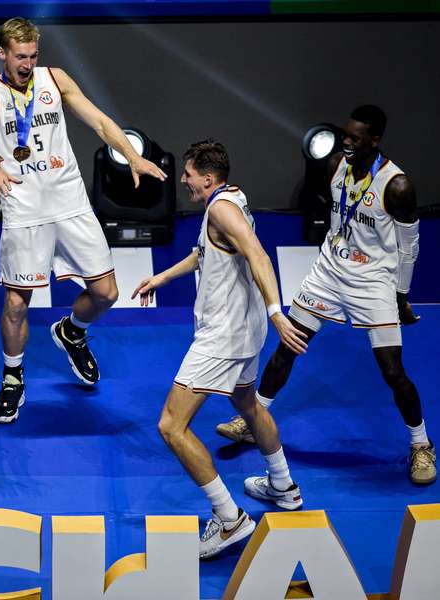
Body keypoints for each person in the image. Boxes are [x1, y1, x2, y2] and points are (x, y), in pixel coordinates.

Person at [214, 105, 435, 485]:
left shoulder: (396, 186)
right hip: (328, 273)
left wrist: (401, 295)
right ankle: (253, 421)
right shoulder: (335, 164)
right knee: (288, 346)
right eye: (346, 135)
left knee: (392, 371)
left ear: (376, 140)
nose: (346, 142)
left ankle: (421, 445)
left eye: (355, 137)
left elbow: (409, 246)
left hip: (373, 282)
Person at [0, 17, 165, 423]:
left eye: (33, 55)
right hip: (24, 205)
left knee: (107, 293)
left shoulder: (55, 80)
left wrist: (132, 155)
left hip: (69, 199)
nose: (27, 63)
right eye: (19, 56)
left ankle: (72, 330)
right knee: (15, 302)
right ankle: (12, 378)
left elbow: (98, 120)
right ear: (1, 53)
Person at [134, 139, 307, 558]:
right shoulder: (232, 199)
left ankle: (229, 519)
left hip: (224, 336)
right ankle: (282, 485)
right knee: (246, 403)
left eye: (189, 174)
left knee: (171, 426)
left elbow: (259, 257)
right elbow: (202, 254)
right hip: (244, 332)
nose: (184, 180)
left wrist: (277, 311)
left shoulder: (222, 209)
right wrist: (162, 278)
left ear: (208, 179)